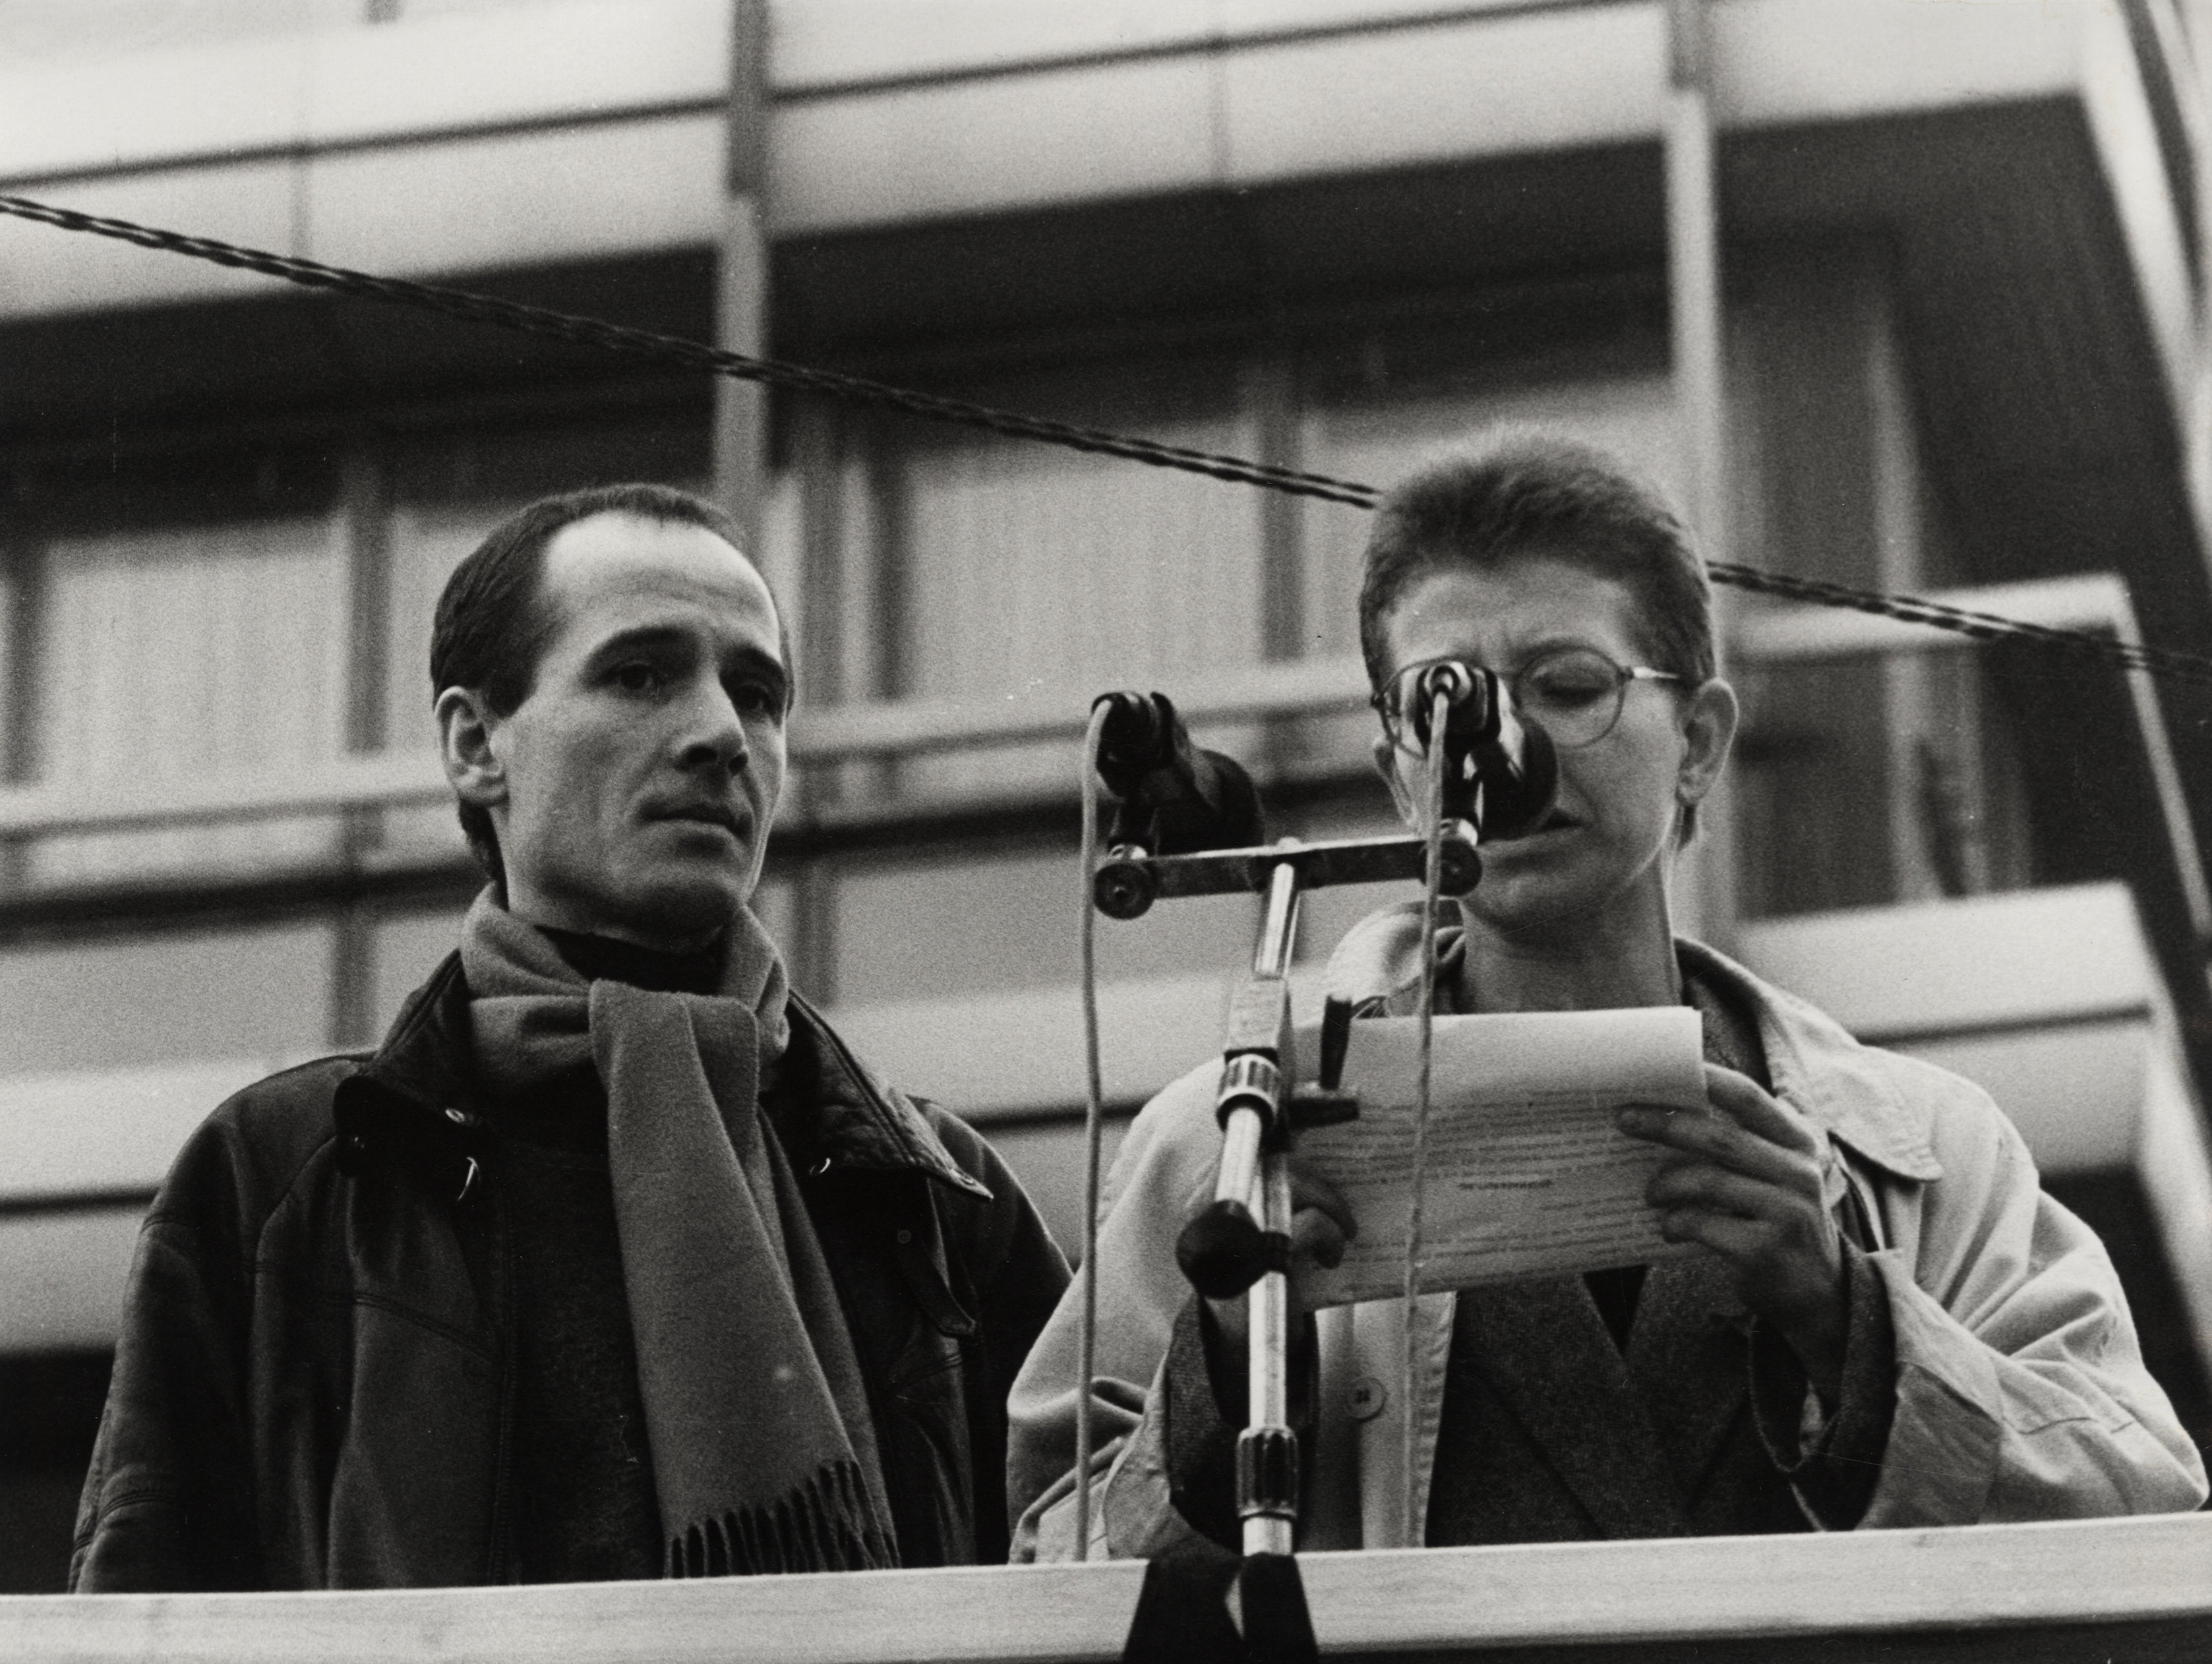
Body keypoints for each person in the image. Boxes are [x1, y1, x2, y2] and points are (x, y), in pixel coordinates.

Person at [1007, 433, 2207, 1557]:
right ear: (1397, 775)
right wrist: (1229, 1361)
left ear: (1697, 742)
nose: (1499, 751)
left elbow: (2149, 1510)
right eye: (1446, 703)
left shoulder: (1923, 1153)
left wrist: (1852, 1324)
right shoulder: (1228, 1148)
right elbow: (1043, 1560)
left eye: (1567, 687)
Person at [71, 482, 1067, 1590]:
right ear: (474, 745)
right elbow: (143, 1612)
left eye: (758, 693)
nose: (722, 737)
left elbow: (1087, 1583)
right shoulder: (286, 1177)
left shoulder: (937, 1197)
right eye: (639, 674)